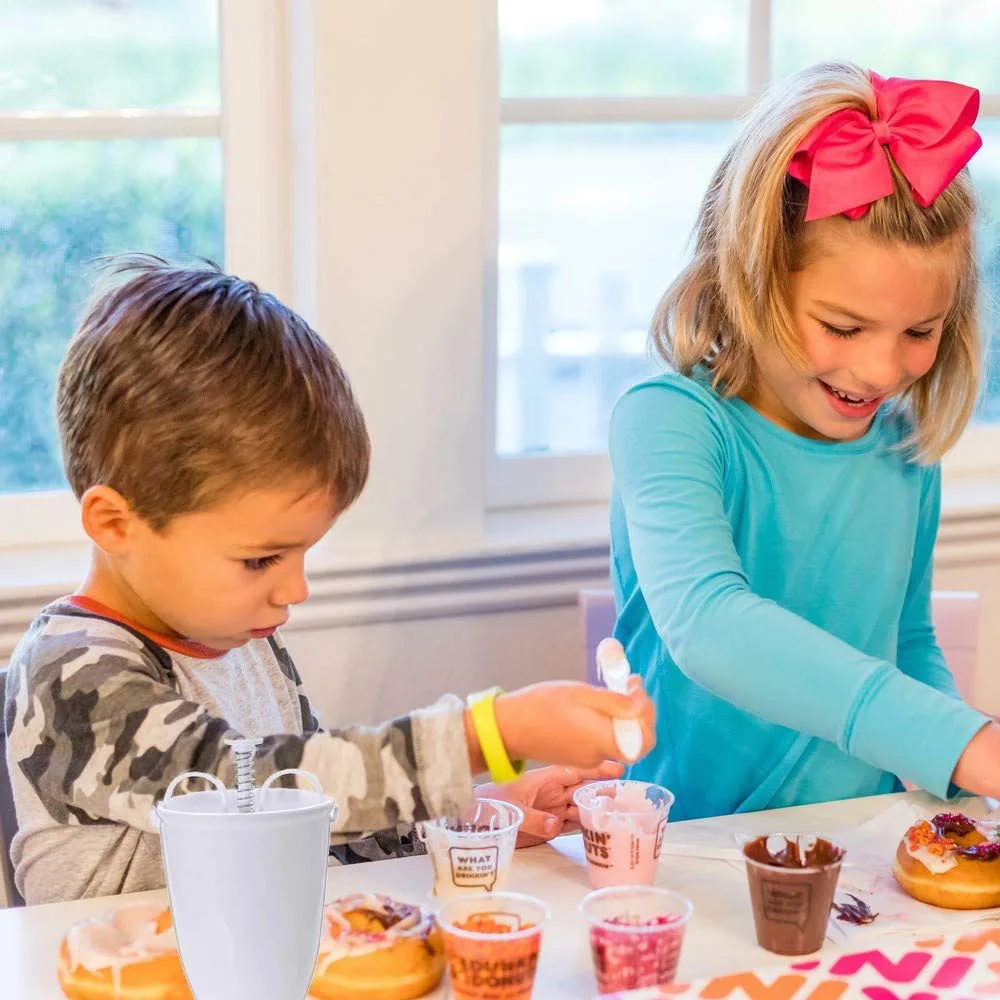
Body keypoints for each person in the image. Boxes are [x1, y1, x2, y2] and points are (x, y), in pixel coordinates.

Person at [5, 256, 655, 903]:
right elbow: (252, 789)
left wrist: (469, 817)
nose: (295, 590)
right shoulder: (71, 679)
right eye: (261, 560)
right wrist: (495, 733)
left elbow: (321, 817)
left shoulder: (244, 641)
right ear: (116, 524)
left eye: (301, 555)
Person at [609, 62, 997, 821]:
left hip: (861, 848)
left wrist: (954, 785)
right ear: (748, 282)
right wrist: (965, 741)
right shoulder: (669, 421)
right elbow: (710, 624)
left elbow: (906, 638)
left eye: (920, 331)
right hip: (688, 851)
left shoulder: (902, 450)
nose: (882, 369)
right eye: (843, 327)